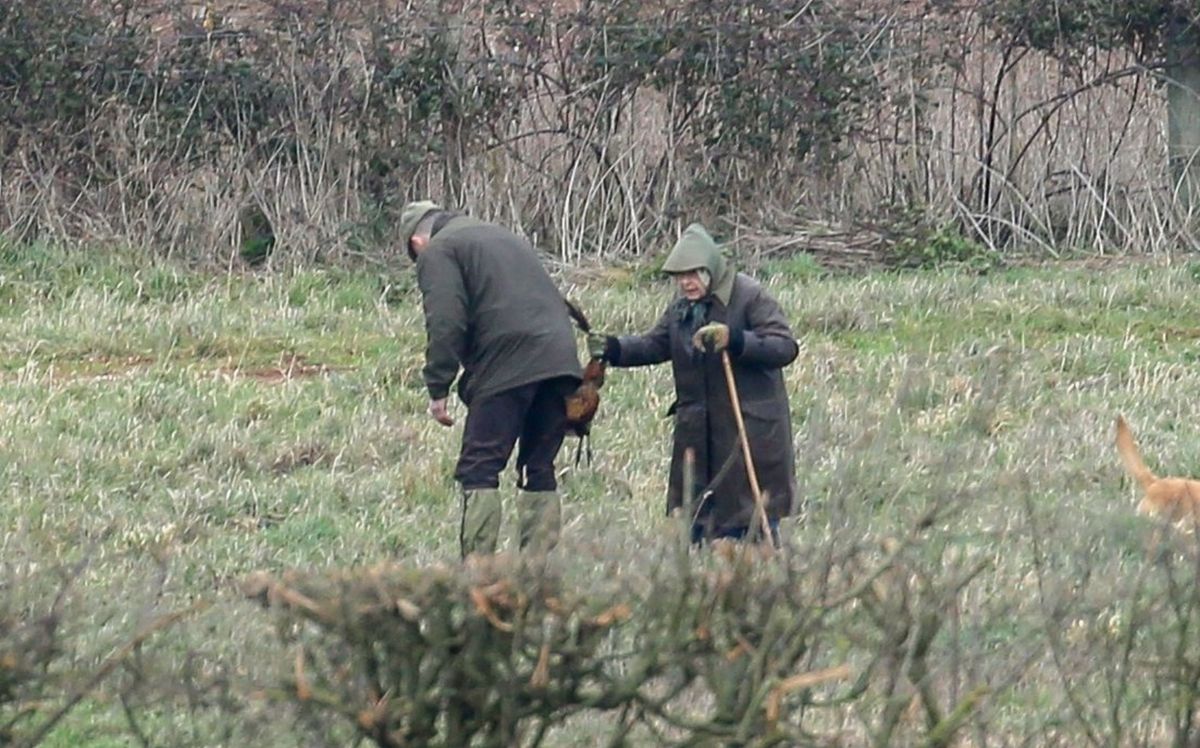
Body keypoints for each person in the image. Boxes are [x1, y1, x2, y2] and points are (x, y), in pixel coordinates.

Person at [588, 223, 798, 544]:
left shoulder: (749, 296)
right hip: (698, 434)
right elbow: (655, 345)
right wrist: (614, 349)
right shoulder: (681, 310)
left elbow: (784, 346)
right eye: (679, 276)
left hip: (747, 430)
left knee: (749, 519)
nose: (686, 282)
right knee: (700, 517)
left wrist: (736, 340)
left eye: (693, 273)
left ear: (710, 269)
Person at [399, 200, 583, 558]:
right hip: (561, 360)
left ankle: (479, 577)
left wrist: (438, 386)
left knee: (479, 469)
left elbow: (446, 322)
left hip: (508, 364)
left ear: (417, 243)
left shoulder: (439, 251)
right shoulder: (500, 235)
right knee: (538, 467)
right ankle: (537, 574)